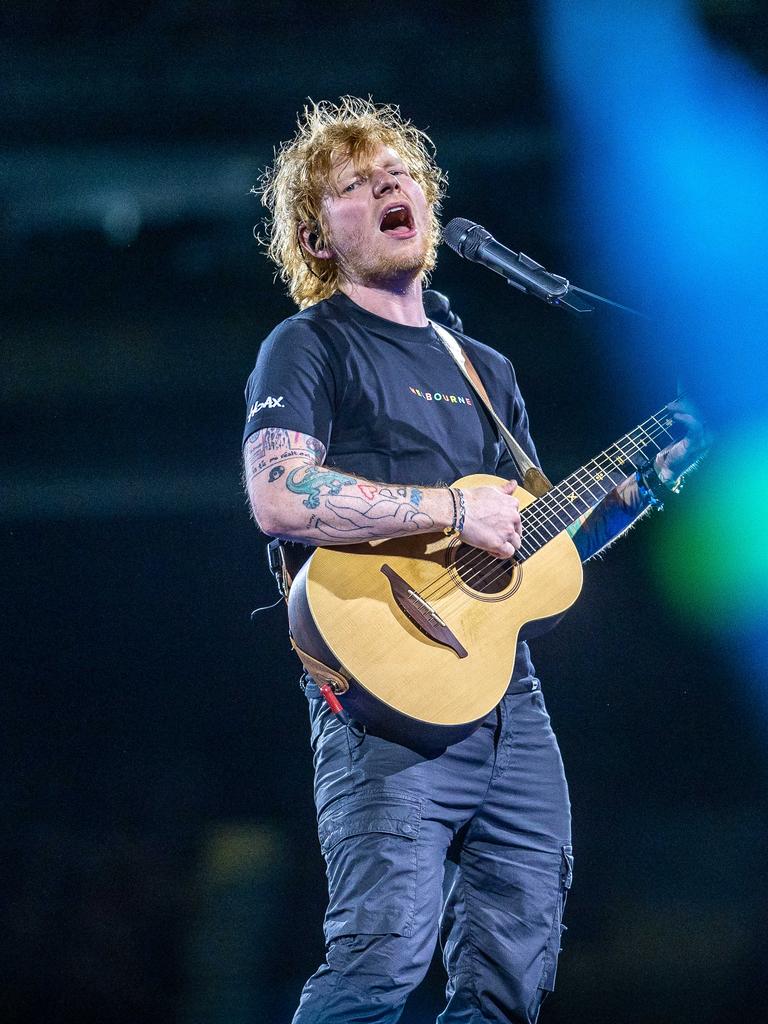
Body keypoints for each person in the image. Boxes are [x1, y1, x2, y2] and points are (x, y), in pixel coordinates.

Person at [242, 97, 708, 1024]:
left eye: (401, 174)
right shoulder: (309, 344)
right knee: (383, 952)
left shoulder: (482, 369)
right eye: (355, 183)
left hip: (505, 690)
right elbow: (279, 494)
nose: (389, 186)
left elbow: (532, 544)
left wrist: (635, 495)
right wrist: (449, 505)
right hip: (378, 678)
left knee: (514, 958)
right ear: (317, 236)